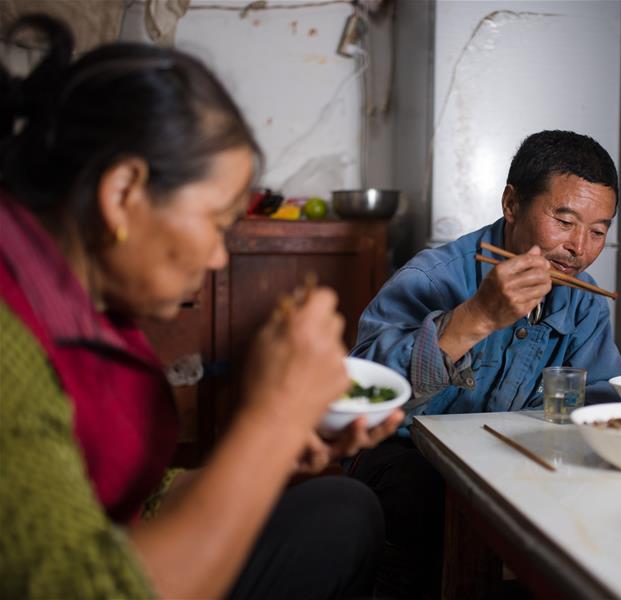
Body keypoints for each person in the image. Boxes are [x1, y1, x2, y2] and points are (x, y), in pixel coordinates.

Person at [0, 15, 403, 599]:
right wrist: (274, 419)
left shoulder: (93, 304)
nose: (218, 257)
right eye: (215, 224)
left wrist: (279, 449)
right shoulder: (12, 338)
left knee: (341, 506)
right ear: (122, 194)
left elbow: (139, 495)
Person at [348, 129, 621, 597]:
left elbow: (601, 400)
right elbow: (361, 400)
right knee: (423, 503)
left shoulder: (584, 303)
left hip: (506, 456)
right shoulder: (431, 278)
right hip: (405, 454)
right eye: (564, 220)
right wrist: (475, 317)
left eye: (598, 231)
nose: (579, 248)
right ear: (512, 204)